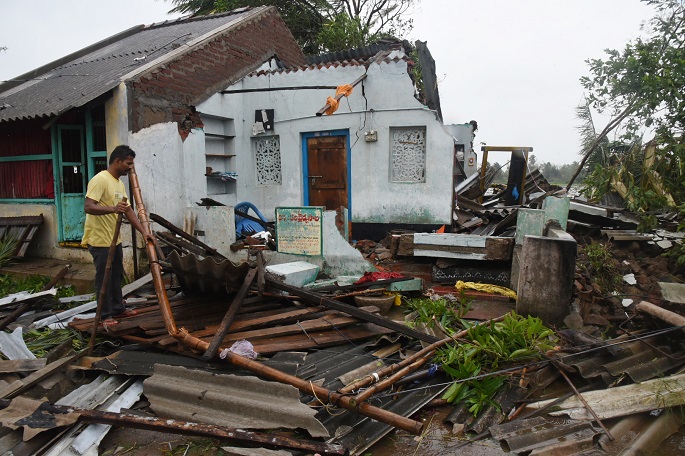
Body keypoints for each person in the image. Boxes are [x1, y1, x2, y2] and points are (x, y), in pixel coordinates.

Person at [82, 145, 154, 329]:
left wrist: (144, 232)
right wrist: (113, 209)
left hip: (115, 239)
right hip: (99, 239)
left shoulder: (119, 184)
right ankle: (105, 314)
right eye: (128, 163)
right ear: (117, 161)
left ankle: (117, 308)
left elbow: (128, 210)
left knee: (116, 276)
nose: (131, 167)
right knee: (104, 278)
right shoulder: (100, 180)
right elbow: (89, 206)